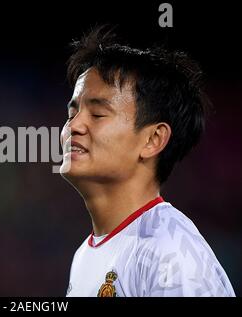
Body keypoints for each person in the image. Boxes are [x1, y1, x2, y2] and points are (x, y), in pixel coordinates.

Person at [60, 25, 235, 297]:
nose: (74, 125)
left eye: (97, 114)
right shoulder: (84, 255)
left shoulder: (172, 255)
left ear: (153, 139)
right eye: (72, 113)